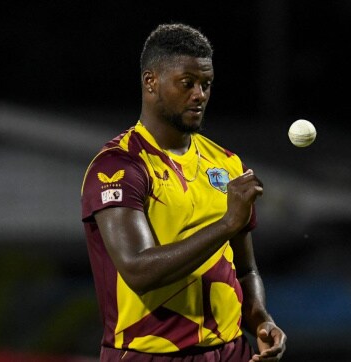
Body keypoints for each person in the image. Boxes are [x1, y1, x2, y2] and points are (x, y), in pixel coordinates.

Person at [81, 23, 286, 361]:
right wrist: (226, 223)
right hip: (149, 354)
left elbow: (246, 270)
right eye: (187, 83)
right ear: (151, 81)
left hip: (232, 351)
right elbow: (137, 270)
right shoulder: (119, 166)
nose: (200, 95)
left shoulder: (226, 162)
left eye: (206, 85)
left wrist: (261, 320)